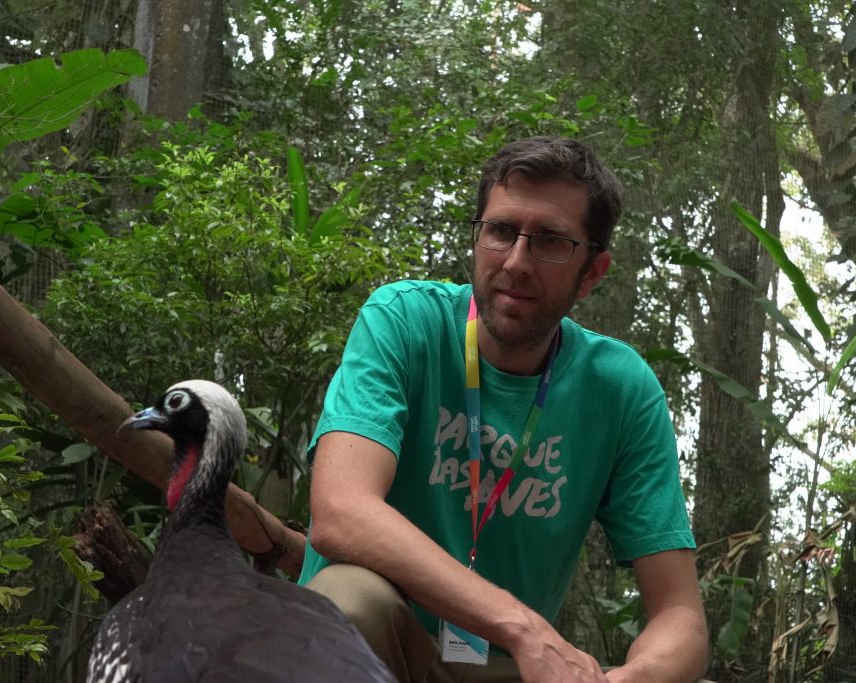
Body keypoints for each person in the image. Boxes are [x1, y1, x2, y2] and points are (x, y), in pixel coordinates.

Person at [299, 136, 709, 683]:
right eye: (500, 231)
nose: (516, 262)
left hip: (499, 667)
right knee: (346, 596)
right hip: (376, 648)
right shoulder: (403, 321)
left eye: (550, 242)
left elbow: (679, 613)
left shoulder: (620, 388)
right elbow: (340, 512)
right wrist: (524, 627)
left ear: (592, 272)